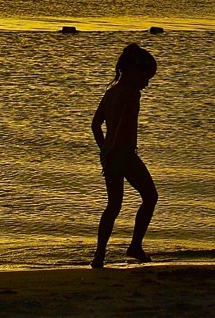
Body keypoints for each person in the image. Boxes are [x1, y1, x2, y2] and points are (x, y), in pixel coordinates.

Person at [90, 43, 159, 268]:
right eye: (145, 78)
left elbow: (95, 125)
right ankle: (135, 245)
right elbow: (122, 126)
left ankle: (99, 255)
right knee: (150, 196)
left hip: (110, 157)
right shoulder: (132, 94)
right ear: (132, 72)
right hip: (125, 156)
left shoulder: (110, 92)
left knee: (113, 205)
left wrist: (104, 151)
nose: (146, 84)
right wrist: (116, 150)